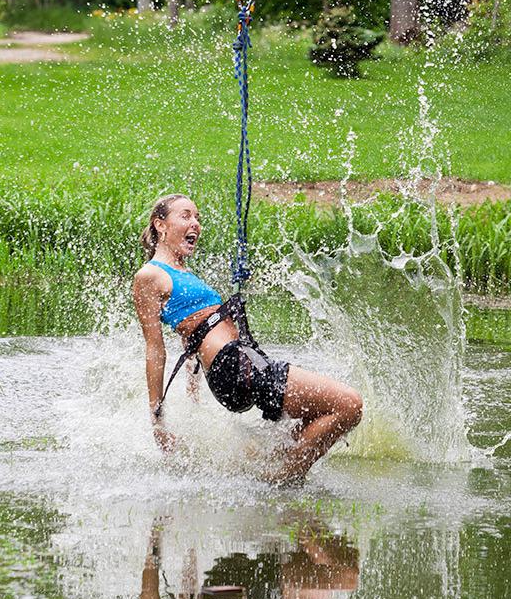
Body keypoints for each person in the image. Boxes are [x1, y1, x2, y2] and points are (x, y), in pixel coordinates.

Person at [133, 194, 362, 482]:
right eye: (186, 216)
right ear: (160, 225)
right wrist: (158, 419)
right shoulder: (149, 275)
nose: (195, 224)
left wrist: (194, 389)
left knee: (321, 414)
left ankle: (274, 467)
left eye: (198, 218)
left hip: (244, 363)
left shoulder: (183, 272)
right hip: (232, 367)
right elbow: (155, 349)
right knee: (349, 404)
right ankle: (283, 477)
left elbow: (190, 334)